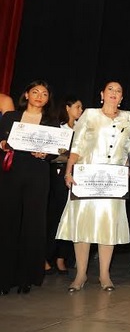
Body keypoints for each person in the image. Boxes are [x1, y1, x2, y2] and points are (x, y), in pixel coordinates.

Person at [57, 80, 130, 292]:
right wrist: (69, 171)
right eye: (110, 89)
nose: (114, 93)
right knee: (82, 225)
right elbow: (76, 146)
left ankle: (104, 275)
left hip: (113, 181)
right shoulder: (89, 115)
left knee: (108, 225)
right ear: (102, 94)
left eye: (118, 91)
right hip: (86, 178)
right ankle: (81, 274)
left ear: (122, 98)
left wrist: (129, 169)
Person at [0, 81, 57, 295]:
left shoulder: (52, 122)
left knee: (33, 225)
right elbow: (0, 139)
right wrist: (3, 144)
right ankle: (5, 277)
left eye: (44, 93)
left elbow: (59, 149)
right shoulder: (11, 116)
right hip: (11, 173)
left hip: (37, 175)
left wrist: (46, 154)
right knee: (8, 222)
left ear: (48, 99)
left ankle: (27, 277)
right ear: (26, 94)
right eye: (35, 92)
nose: (39, 96)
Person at [45, 95, 83, 276]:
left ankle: (62, 257)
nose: (80, 111)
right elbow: (53, 153)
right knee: (56, 215)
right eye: (77, 107)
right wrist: (68, 155)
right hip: (59, 173)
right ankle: (46, 257)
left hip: (79, 174)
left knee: (72, 216)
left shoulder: (82, 129)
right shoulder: (58, 128)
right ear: (67, 108)